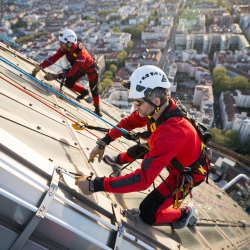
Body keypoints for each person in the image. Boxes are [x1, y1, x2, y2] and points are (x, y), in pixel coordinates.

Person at [75, 65, 211, 229]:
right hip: (176, 154)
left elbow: (142, 180)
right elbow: (130, 122)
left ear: (156, 101)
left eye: (138, 103)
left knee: (148, 213)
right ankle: (120, 159)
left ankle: (184, 213)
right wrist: (104, 141)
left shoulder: (171, 133)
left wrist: (95, 184)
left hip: (186, 174)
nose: (135, 107)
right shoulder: (161, 109)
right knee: (137, 149)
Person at [32, 29, 102, 117]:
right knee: (69, 83)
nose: (59, 44)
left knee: (94, 90)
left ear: (69, 43)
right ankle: (83, 92)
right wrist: (41, 66)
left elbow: (73, 72)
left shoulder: (81, 54)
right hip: (79, 67)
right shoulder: (65, 49)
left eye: (62, 42)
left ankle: (97, 108)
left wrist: (55, 76)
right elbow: (54, 58)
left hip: (90, 69)